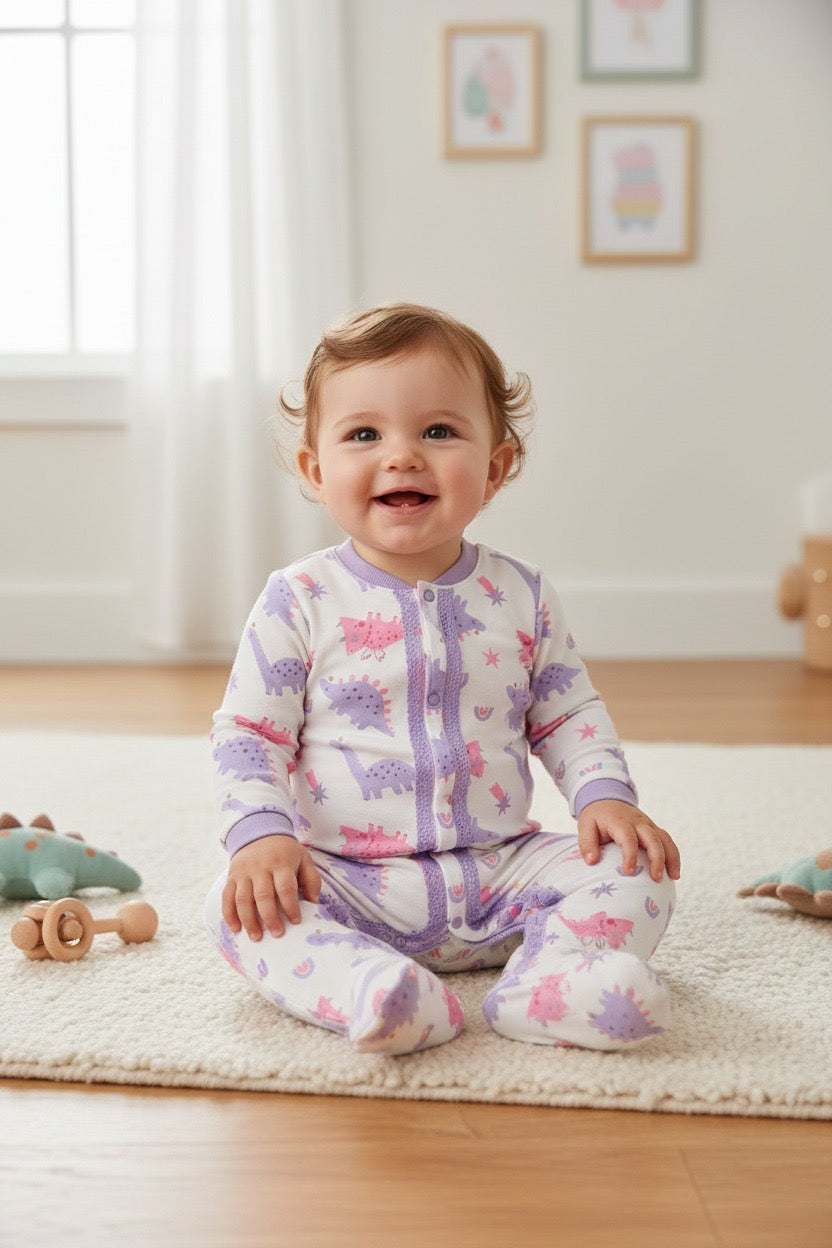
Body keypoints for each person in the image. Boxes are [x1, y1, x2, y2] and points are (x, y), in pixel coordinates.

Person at [205, 303, 680, 1056]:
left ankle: (551, 983)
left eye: (438, 431)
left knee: (638, 868)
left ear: (495, 467)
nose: (401, 456)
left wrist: (604, 797)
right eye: (364, 434)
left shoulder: (521, 594)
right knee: (239, 907)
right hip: (352, 880)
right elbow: (250, 734)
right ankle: (374, 989)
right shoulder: (298, 599)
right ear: (316, 471)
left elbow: (567, 713)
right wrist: (260, 837)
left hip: (500, 871)